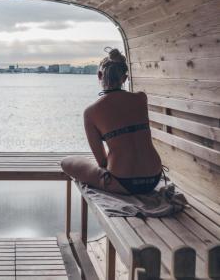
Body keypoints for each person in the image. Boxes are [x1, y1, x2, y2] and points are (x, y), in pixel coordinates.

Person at [61, 48, 163, 195]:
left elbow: (102, 162)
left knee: (66, 162)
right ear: (125, 78)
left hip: (122, 182)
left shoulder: (91, 112)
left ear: (99, 75)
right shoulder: (141, 98)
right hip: (154, 178)